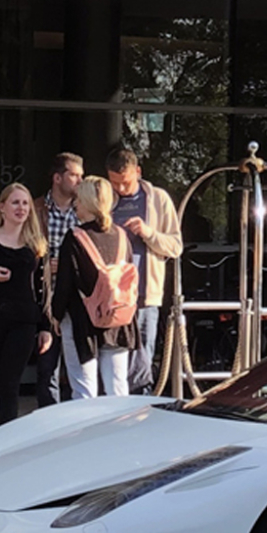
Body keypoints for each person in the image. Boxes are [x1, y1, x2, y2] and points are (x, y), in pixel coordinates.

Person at [0, 183, 54, 429]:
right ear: (2, 207)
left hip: (24, 322)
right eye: (15, 202)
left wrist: (45, 327)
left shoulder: (36, 244)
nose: (21, 208)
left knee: (10, 384)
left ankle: (4, 441)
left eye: (25, 203)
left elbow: (44, 289)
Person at [104, 143, 182, 393]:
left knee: (142, 359)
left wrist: (148, 233)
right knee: (113, 358)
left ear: (138, 171)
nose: (120, 188)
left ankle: (141, 406)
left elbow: (175, 246)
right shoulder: (106, 199)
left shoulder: (158, 199)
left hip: (145, 295)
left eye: (125, 182)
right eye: (115, 183)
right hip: (112, 296)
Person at [60, 176, 138, 397]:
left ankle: (87, 432)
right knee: (118, 387)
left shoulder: (75, 238)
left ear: (87, 203)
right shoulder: (122, 237)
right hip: (118, 318)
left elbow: (65, 284)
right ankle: (120, 430)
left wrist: (55, 316)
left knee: (84, 390)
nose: (76, 205)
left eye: (78, 200)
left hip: (82, 321)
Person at [39, 152, 85, 405]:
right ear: (57, 178)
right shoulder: (36, 209)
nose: (80, 181)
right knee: (48, 368)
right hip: (46, 298)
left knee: (79, 368)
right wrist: (46, 268)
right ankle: (48, 423)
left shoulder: (84, 212)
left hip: (75, 300)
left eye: (82, 176)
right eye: (74, 175)